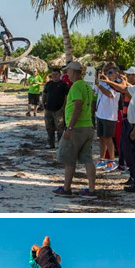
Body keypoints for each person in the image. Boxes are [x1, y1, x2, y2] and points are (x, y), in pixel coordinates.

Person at [54, 61, 96, 198]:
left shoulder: (77, 86)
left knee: (69, 159)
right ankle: (91, 190)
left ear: (73, 71)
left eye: (68, 71)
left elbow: (78, 106)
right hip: (88, 126)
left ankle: (66, 188)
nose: (66, 74)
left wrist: (70, 128)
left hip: (77, 128)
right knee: (88, 159)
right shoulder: (86, 86)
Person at [94, 66, 121, 172]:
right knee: (101, 138)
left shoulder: (117, 86)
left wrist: (99, 85)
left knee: (108, 138)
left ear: (116, 74)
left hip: (110, 116)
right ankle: (102, 158)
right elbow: (95, 91)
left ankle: (112, 160)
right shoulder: (103, 83)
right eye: (106, 73)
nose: (107, 75)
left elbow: (110, 94)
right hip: (100, 114)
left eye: (110, 73)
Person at [42, 67, 69, 148]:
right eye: (53, 74)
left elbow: (66, 97)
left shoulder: (64, 84)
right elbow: (44, 94)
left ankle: (60, 144)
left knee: (60, 127)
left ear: (59, 75)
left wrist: (64, 107)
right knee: (49, 127)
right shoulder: (48, 84)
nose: (54, 76)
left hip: (59, 109)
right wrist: (43, 104)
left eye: (56, 74)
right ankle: (50, 143)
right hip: (48, 108)